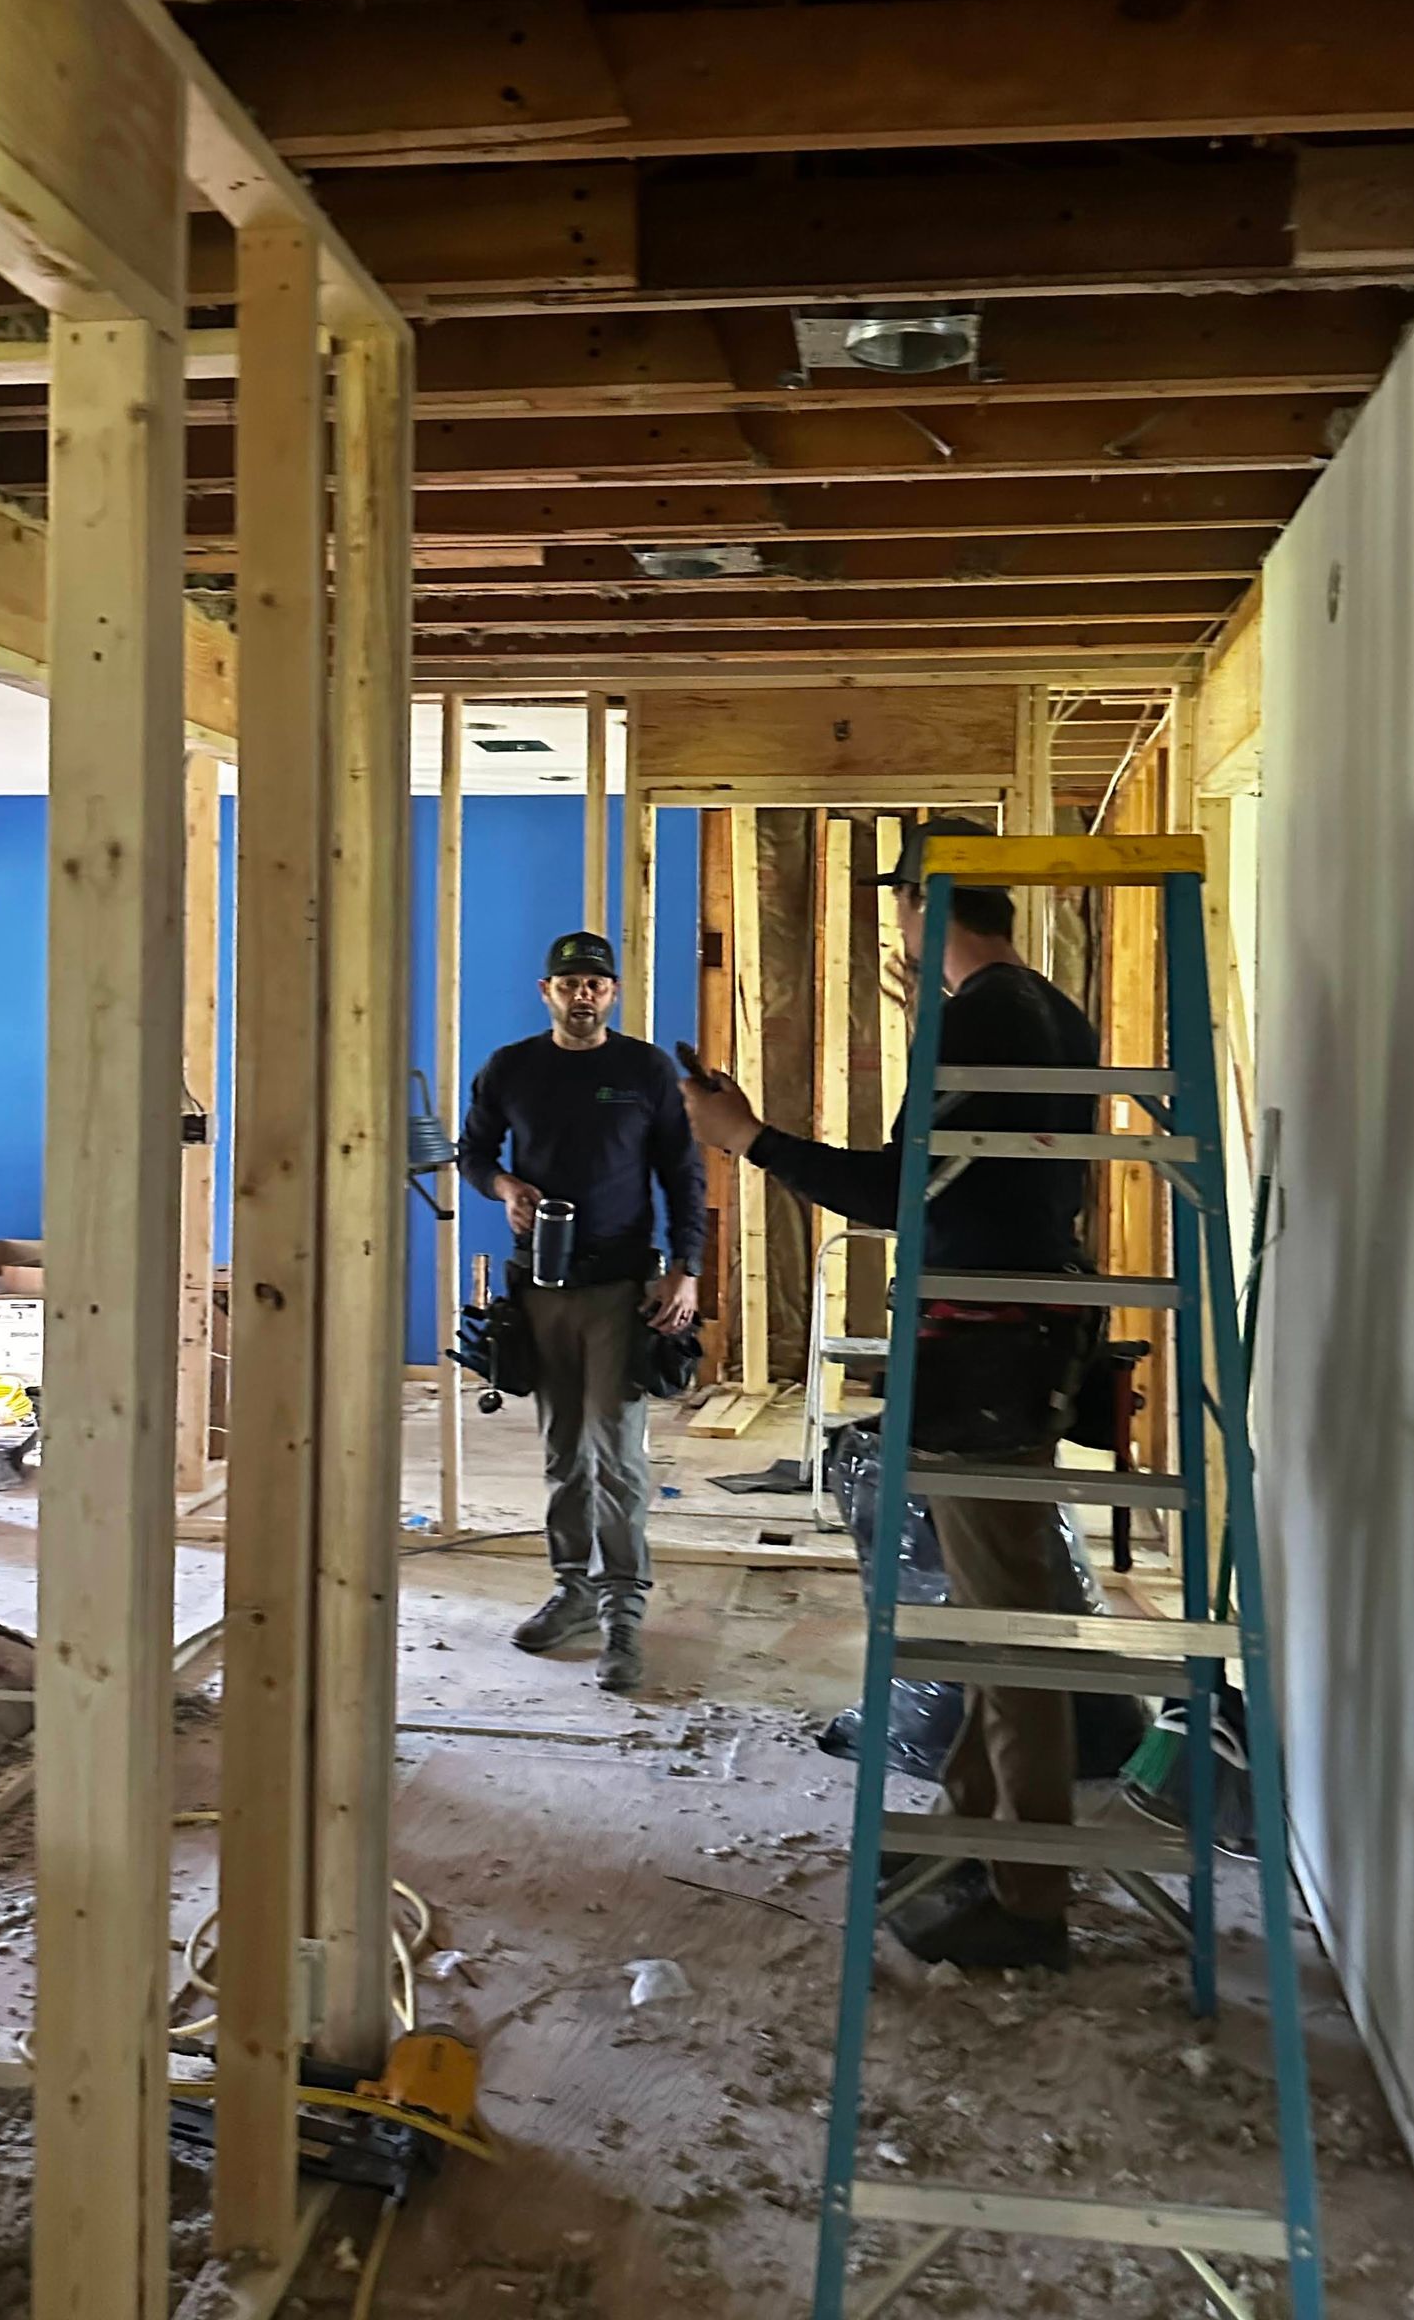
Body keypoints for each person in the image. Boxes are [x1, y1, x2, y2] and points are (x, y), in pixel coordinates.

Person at [681, 820, 1100, 1972]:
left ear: (926, 901)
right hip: (1009, 1337)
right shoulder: (1046, 1007)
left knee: (1005, 1629)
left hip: (989, 1354)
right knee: (979, 1617)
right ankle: (980, 1844)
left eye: (903, 905)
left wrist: (750, 1138)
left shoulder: (988, 1017)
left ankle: (1029, 1898)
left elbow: (903, 1190)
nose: (900, 926)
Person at [459, 930, 705, 1696]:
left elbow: (682, 1173)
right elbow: (472, 1154)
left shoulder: (644, 1071)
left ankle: (624, 1610)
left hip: (619, 1290)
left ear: (614, 993)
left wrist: (687, 1270)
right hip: (539, 1290)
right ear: (547, 993)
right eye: (569, 984)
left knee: (618, 1455)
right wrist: (504, 1188)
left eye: (596, 983)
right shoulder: (512, 1069)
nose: (583, 995)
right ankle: (573, 1591)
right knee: (564, 1450)